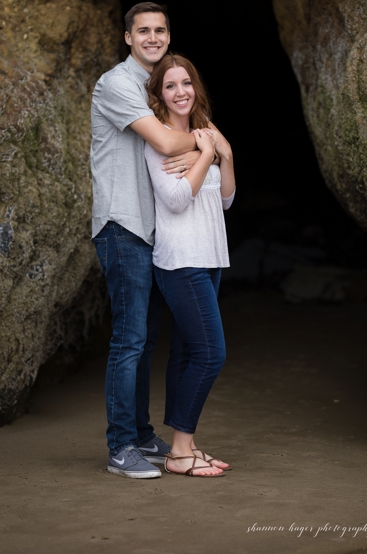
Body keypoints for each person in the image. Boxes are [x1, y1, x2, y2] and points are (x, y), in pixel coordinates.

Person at [92, 3, 206, 479]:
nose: (153, 37)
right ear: (127, 37)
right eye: (144, 31)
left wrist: (199, 139)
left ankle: (140, 435)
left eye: (160, 30)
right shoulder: (116, 83)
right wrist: (212, 143)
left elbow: (174, 135)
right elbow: (164, 142)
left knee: (147, 338)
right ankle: (121, 447)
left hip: (151, 230)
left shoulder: (156, 86)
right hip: (122, 225)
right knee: (130, 340)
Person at [142, 54, 238, 477]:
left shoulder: (207, 132)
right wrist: (205, 156)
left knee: (185, 353)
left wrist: (225, 155)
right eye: (170, 85)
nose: (180, 92)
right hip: (181, 260)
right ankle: (180, 451)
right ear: (159, 94)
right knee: (210, 353)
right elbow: (178, 200)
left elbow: (225, 200)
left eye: (186, 83)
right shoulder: (156, 140)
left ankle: (187, 445)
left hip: (211, 256)